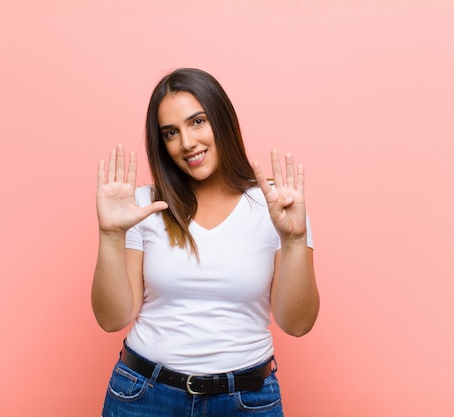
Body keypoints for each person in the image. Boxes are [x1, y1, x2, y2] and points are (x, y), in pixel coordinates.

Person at [92, 68, 319, 416]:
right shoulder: (143, 205)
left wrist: (294, 240)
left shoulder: (276, 206)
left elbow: (297, 324)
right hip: (144, 398)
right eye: (171, 132)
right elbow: (113, 319)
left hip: (246, 400)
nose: (186, 143)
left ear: (222, 118)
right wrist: (110, 236)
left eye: (197, 122)